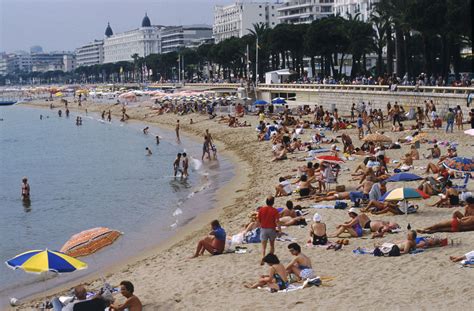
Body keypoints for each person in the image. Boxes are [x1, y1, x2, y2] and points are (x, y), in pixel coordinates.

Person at [258, 196, 281, 265]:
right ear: (273, 202)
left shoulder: (261, 209)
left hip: (263, 229)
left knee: (263, 246)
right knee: (272, 245)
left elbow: (259, 220)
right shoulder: (275, 210)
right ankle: (270, 259)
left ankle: (263, 258)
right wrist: (279, 230)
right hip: (271, 229)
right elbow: (277, 221)